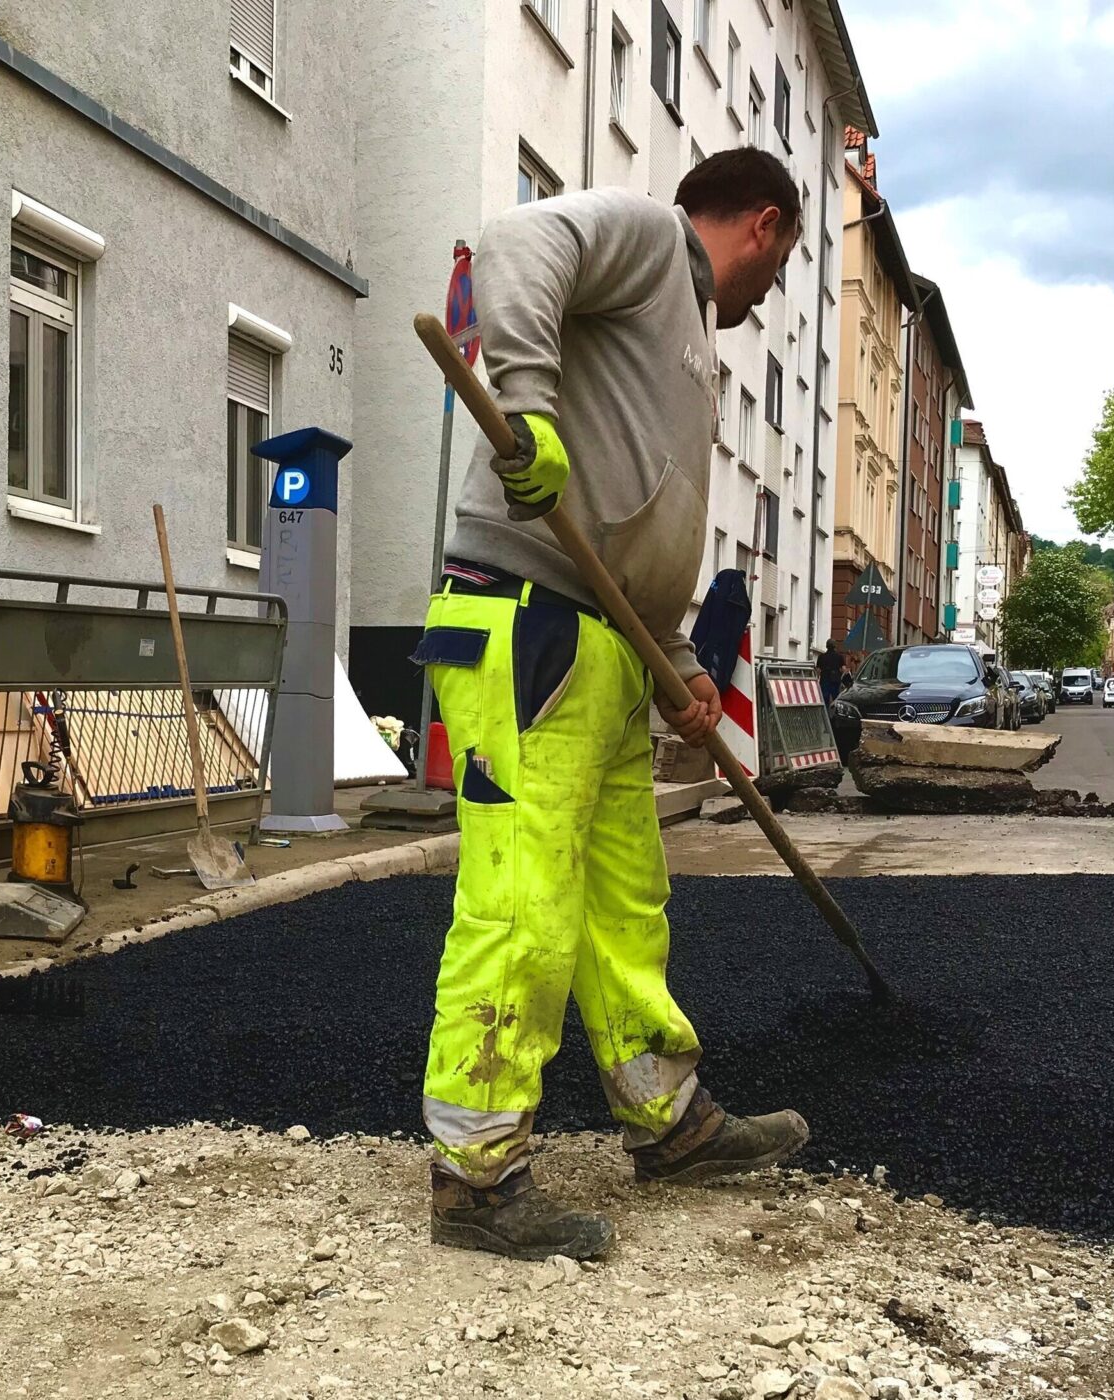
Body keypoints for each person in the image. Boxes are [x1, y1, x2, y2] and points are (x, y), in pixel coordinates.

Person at [415, 149, 810, 1262]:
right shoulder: (647, 235)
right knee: (524, 899)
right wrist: (528, 408)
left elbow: (640, 511)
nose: (768, 297)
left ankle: (664, 1116)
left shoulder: (685, 337)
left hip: (608, 643)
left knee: (624, 901)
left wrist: (680, 660)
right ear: (765, 227)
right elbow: (516, 242)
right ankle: (477, 1173)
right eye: (779, 270)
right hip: (527, 617)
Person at [818, 640, 847, 704]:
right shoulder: (839, 656)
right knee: (835, 697)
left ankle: (825, 712)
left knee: (825, 698)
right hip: (835, 679)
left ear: (826, 646)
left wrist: (818, 678)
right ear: (835, 646)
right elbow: (843, 669)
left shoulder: (821, 656)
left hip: (824, 679)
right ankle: (834, 712)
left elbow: (818, 670)